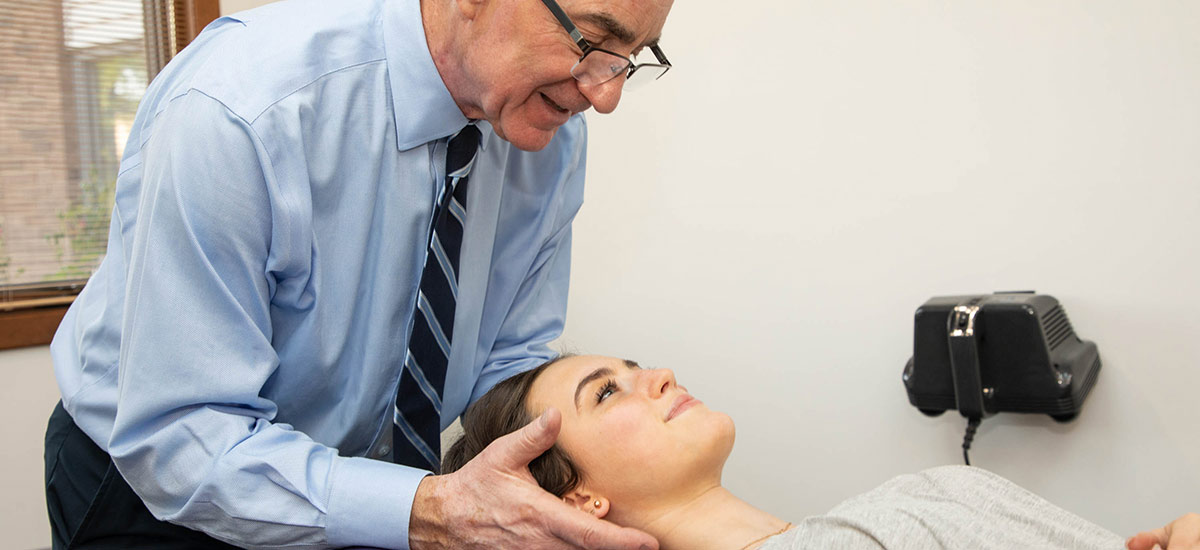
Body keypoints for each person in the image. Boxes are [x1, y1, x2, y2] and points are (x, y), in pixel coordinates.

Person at [44, 0, 673, 547]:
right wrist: (426, 511)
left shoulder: (550, 136)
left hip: (367, 492)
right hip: (156, 486)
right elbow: (184, 436)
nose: (606, 95)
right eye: (592, 40)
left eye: (633, 56)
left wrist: (606, 466)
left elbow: (508, 364)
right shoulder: (244, 108)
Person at [442, 354, 1200, 550]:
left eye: (635, 366)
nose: (659, 375)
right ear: (578, 499)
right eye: (606, 393)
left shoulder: (872, 517)